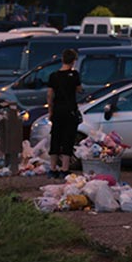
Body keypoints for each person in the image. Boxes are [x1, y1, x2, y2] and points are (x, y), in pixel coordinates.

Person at [46, 49, 82, 178]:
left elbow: (50, 95)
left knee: (55, 138)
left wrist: (50, 111)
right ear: (73, 61)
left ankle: (52, 169)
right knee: (68, 139)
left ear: (62, 60)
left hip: (57, 111)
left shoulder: (53, 76)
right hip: (70, 111)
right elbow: (79, 89)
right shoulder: (75, 75)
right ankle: (64, 169)